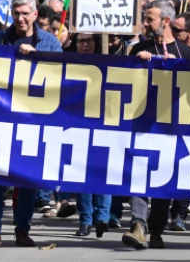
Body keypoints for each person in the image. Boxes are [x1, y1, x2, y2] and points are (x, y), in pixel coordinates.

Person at [0, 0, 62, 248]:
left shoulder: (49, 42)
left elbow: (64, 75)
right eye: (16, 13)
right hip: (1, 118)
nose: (20, 18)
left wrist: (37, 56)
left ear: (35, 15)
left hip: (33, 121)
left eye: (24, 13)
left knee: (27, 179)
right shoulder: (0, 38)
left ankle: (22, 229)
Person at [123, 0, 190, 250]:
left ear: (165, 21)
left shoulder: (186, 53)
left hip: (172, 129)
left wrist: (176, 66)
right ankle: (138, 226)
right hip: (143, 125)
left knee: (163, 181)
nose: (144, 23)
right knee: (140, 174)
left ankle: (156, 229)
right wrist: (138, 64)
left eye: (149, 18)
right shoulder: (140, 49)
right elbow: (124, 84)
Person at [67, 32, 111, 237]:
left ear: (97, 43)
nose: (85, 45)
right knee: (82, 174)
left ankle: (102, 217)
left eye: (89, 41)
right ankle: (85, 220)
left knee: (103, 172)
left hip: (105, 124)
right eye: (81, 41)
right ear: (75, 45)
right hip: (79, 124)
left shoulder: (110, 63)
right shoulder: (69, 65)